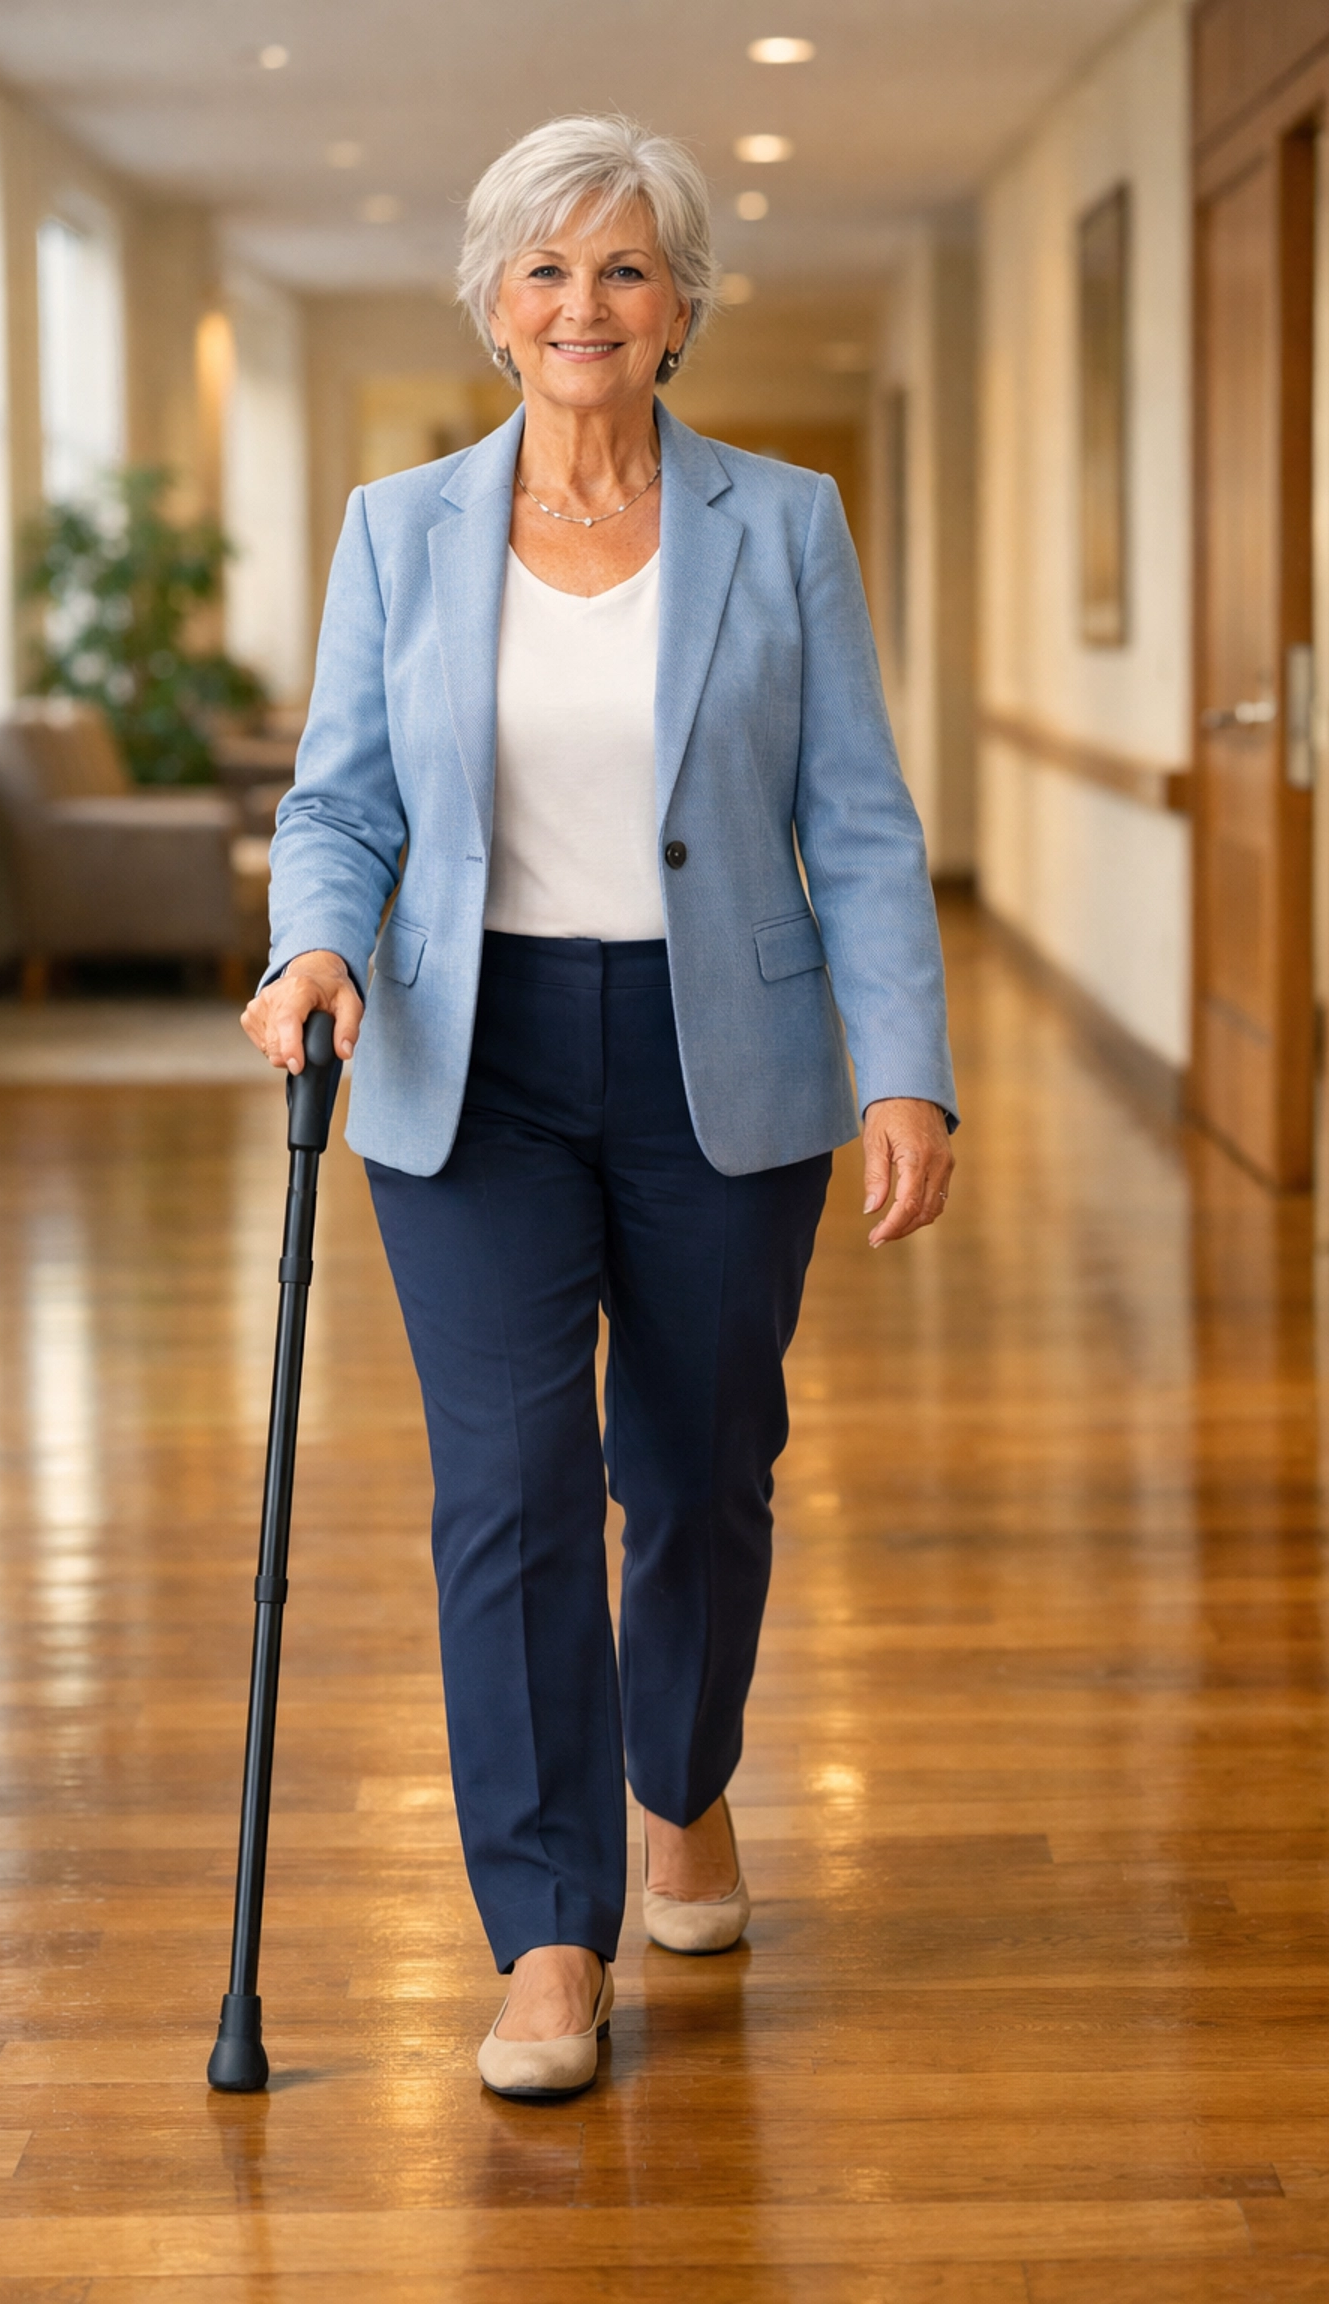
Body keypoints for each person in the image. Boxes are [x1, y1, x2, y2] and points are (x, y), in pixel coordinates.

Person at [242, 114, 957, 2103]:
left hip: (725, 1055)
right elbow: (344, 803)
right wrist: (317, 947)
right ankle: (548, 1929)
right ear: (493, 302)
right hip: (468, 1067)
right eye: (549, 268)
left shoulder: (782, 519)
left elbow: (860, 822)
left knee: (703, 1469)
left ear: (682, 309)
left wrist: (907, 1064)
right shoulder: (400, 527)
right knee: (514, 1489)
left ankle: (683, 1781)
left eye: (627, 268)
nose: (587, 304)